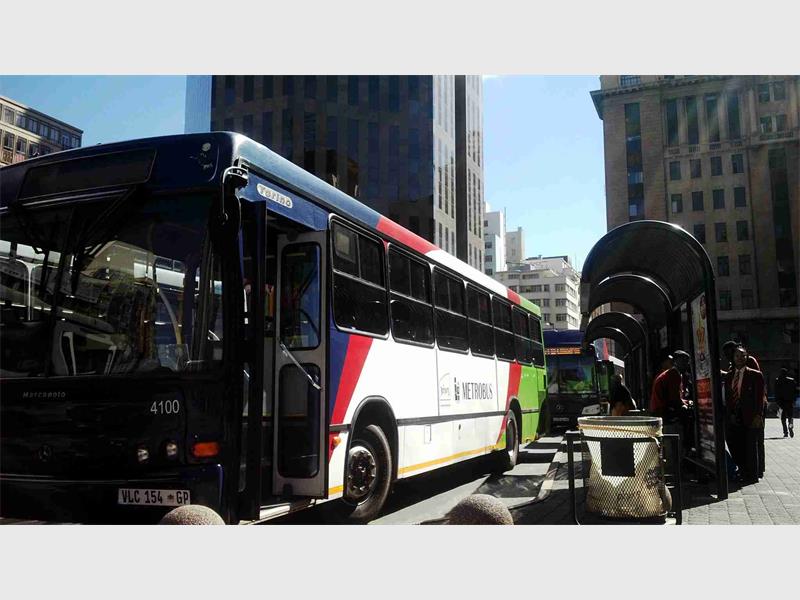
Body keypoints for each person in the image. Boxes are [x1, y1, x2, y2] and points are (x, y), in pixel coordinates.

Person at [724, 345, 765, 484]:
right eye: (737, 356)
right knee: (737, 445)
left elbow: (759, 397)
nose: (740, 358)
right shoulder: (729, 376)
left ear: (747, 357)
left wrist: (758, 415)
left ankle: (752, 476)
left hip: (751, 416)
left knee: (751, 447)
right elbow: (728, 397)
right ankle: (742, 471)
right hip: (734, 416)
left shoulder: (755, 375)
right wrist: (730, 413)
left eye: (743, 356)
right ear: (733, 358)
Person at [650, 353, 688, 425]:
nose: (686, 364)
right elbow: (674, 399)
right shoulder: (673, 373)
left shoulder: (672, 373)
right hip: (661, 411)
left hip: (658, 409)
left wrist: (686, 402)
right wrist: (686, 404)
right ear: (676, 362)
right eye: (684, 361)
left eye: (687, 361)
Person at [776, 368, 797, 438]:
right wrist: (794, 400)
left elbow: (776, 392)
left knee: (783, 419)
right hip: (789, 402)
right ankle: (790, 427)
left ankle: (785, 432)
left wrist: (777, 402)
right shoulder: (792, 380)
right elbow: (795, 392)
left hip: (781, 403)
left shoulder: (777, 380)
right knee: (790, 417)